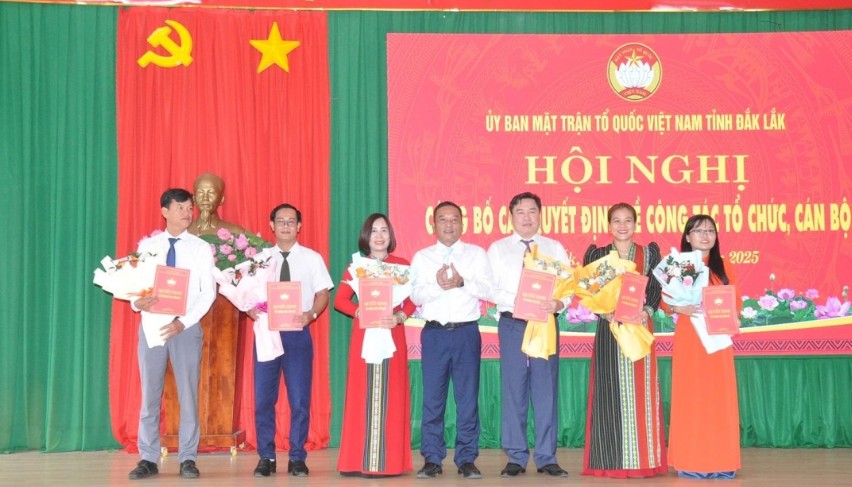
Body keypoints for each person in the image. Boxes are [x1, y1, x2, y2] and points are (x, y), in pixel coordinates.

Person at [128, 188, 216, 480]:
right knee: (150, 395)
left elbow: (208, 293)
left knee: (188, 393)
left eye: (189, 208)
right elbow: (136, 286)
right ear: (165, 211)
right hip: (152, 327)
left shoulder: (200, 248)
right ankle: (148, 458)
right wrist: (135, 301)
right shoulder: (148, 246)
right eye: (181, 207)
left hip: (186, 327)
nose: (187, 212)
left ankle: (188, 458)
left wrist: (184, 321)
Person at [487, 192, 571, 478]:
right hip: (513, 323)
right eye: (520, 212)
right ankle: (516, 456)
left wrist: (558, 303)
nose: (526, 217)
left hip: (545, 323)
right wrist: (520, 299)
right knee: (514, 389)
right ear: (511, 216)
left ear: (540, 214)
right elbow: (490, 289)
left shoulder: (554, 248)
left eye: (532, 211)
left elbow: (568, 287)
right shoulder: (498, 249)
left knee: (545, 390)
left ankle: (547, 457)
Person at [580, 203, 667, 478]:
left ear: (635, 223)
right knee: (609, 394)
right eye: (616, 221)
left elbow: (655, 288)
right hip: (610, 329)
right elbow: (589, 291)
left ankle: (645, 460)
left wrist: (647, 311)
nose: (622, 226)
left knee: (643, 395)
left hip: (639, 326)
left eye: (627, 220)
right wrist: (604, 312)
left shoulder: (649, 254)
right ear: (609, 225)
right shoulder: (598, 254)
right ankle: (610, 461)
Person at [249, 203, 334, 477]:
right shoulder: (259, 258)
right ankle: (267, 457)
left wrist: (310, 314)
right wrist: (249, 307)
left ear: (299, 226)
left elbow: (323, 294)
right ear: (271, 225)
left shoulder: (312, 258)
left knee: (299, 399)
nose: (286, 225)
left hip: (298, 334)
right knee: (263, 399)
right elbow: (247, 292)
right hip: (267, 334)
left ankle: (297, 456)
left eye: (291, 221)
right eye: (281, 221)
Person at [410, 202, 494, 480]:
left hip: (466, 333)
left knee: (467, 399)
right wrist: (436, 285)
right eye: (443, 220)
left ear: (463, 223)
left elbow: (487, 289)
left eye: (454, 219)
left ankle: (467, 459)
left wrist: (462, 282)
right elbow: (415, 297)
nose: (449, 224)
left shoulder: (476, 254)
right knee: (433, 400)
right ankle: (432, 459)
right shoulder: (422, 257)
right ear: (433, 224)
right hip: (434, 334)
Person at [333, 213, 416, 477]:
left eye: (384, 231)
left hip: (393, 333)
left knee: (393, 394)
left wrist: (400, 316)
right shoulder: (357, 266)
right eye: (374, 231)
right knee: (362, 394)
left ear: (390, 236)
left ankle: (391, 463)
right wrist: (361, 312)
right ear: (366, 237)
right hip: (365, 335)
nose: (379, 236)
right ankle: (355, 461)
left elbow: (414, 300)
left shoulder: (402, 266)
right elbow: (340, 301)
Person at [665, 214, 741, 479]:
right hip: (690, 337)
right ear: (687, 236)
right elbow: (665, 302)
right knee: (691, 397)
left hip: (718, 340)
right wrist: (678, 307)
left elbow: (736, 303)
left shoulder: (725, 266)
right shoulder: (678, 264)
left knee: (719, 399)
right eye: (698, 231)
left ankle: (722, 460)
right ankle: (691, 460)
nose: (705, 235)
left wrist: (730, 315)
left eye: (710, 231)